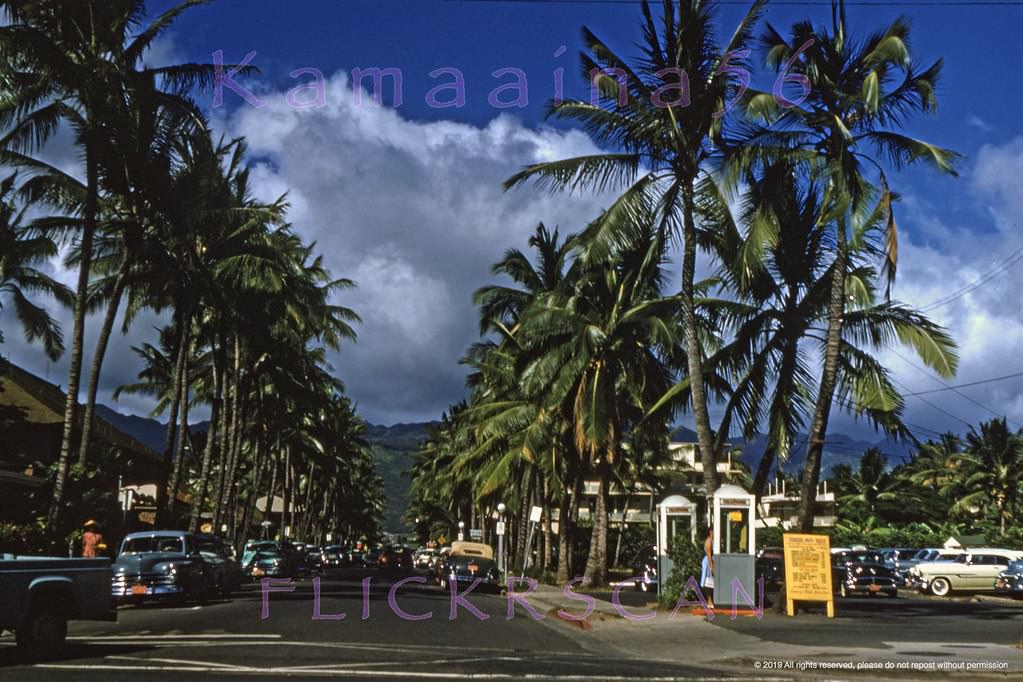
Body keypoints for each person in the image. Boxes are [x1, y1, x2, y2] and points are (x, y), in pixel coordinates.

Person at [700, 525, 715, 609]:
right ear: (710, 532)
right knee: (708, 580)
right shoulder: (709, 541)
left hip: (713, 560)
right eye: (712, 531)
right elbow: (709, 554)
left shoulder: (714, 540)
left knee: (712, 582)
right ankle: (709, 600)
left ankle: (710, 600)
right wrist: (711, 566)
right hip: (708, 562)